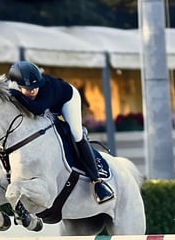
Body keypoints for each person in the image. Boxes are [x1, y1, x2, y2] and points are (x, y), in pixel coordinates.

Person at [7, 61, 114, 204]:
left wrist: (15, 94)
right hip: (46, 106)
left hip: (66, 100)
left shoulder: (45, 88)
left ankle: (97, 181)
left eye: (35, 87)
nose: (33, 91)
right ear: (18, 86)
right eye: (28, 88)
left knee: (76, 133)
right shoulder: (15, 89)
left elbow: (38, 109)